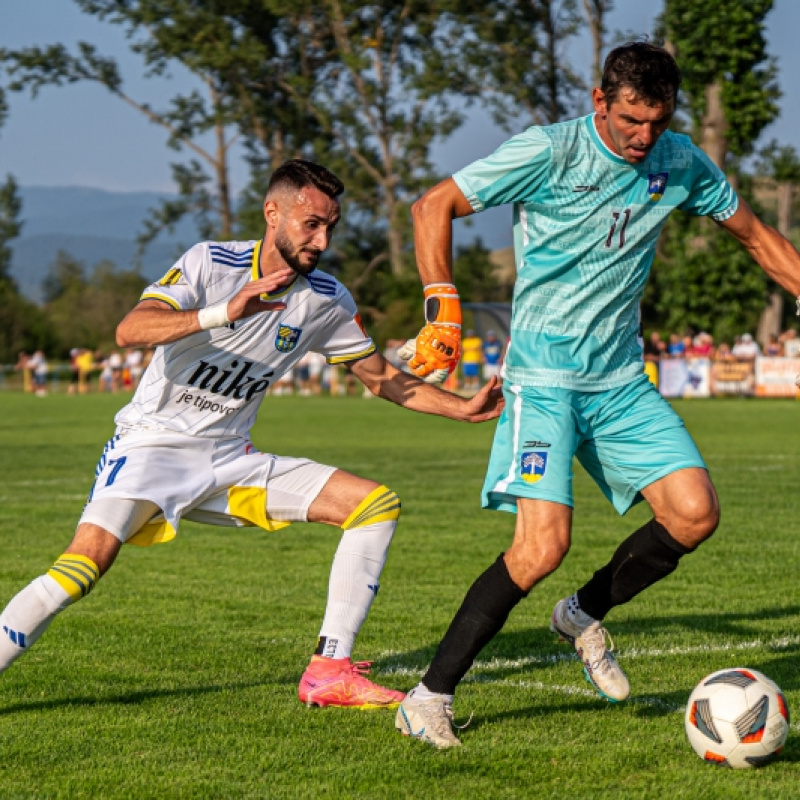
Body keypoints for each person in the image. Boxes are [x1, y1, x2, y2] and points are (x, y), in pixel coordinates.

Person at [394, 42, 800, 748]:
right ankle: (428, 695)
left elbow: (757, 237)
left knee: (694, 513)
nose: (643, 138)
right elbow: (434, 206)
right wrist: (443, 307)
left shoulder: (680, 161)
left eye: (658, 121)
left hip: (617, 382)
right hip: (543, 383)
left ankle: (580, 615)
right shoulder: (549, 151)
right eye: (629, 120)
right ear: (599, 101)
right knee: (539, 548)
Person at [0, 160, 503, 711]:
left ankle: (328, 668)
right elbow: (131, 329)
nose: (323, 239)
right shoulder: (210, 264)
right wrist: (221, 312)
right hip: (151, 445)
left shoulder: (327, 300)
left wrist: (463, 409)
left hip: (229, 459)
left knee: (374, 505)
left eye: (330, 226)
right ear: (273, 213)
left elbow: (381, 378)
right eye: (311, 224)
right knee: (83, 567)